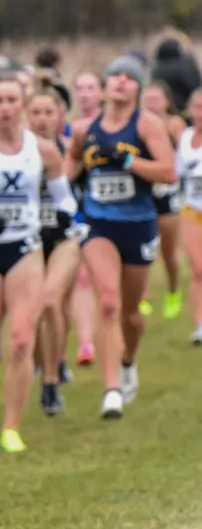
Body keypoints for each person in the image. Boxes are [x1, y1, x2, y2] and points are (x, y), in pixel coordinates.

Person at [0, 74, 72, 452]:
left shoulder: (44, 151)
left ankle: (11, 428)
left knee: (22, 340)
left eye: (11, 100)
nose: (5, 109)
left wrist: (71, 221)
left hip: (25, 248)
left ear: (22, 104)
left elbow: (65, 200)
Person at [67, 55, 176, 418]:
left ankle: (128, 360)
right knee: (108, 301)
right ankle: (111, 389)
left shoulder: (147, 125)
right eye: (114, 76)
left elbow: (168, 172)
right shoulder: (84, 129)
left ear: (137, 87)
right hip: (99, 224)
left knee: (130, 313)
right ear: (104, 84)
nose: (120, 82)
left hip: (139, 223)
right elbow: (68, 169)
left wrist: (128, 161)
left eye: (129, 78)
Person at [28, 77, 84, 415]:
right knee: (36, 308)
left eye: (48, 111)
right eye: (35, 112)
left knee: (55, 303)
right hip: (30, 237)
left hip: (64, 235)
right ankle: (45, 362)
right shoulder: (15, 152)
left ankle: (51, 379)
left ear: (60, 115)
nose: (42, 119)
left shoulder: (69, 148)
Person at [138, 82, 185, 321]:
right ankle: (142, 296)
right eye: (147, 99)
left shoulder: (174, 125)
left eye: (156, 99)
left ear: (166, 101)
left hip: (167, 194)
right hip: (144, 193)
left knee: (168, 253)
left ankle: (173, 290)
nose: (151, 104)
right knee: (142, 248)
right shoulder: (138, 126)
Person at [70, 68, 103, 364]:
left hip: (115, 213)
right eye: (79, 88)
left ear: (101, 92)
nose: (84, 93)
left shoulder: (116, 127)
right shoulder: (72, 130)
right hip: (82, 210)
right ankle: (86, 343)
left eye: (90, 87)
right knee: (81, 278)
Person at [175, 86, 202, 344]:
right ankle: (199, 325)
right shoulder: (185, 138)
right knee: (198, 268)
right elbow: (178, 174)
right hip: (192, 209)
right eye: (197, 107)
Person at [151, 32, 201, 112]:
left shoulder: (156, 67)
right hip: (186, 108)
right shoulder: (187, 62)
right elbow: (195, 85)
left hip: (163, 110)